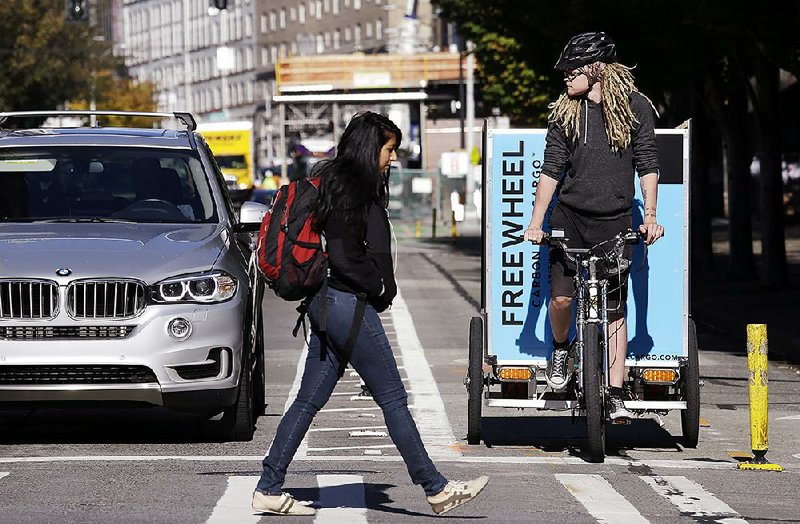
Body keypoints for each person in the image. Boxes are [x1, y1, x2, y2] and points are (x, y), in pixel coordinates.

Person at [252, 111, 488, 516]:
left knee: (308, 401)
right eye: (389, 150)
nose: (392, 158)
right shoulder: (353, 188)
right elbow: (345, 253)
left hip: (326, 304)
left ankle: (268, 487)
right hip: (346, 304)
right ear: (369, 148)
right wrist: (378, 287)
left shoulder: (332, 180)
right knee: (393, 398)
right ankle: (436, 488)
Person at [523, 32, 665, 422]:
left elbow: (648, 163)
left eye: (572, 69)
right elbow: (551, 170)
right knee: (562, 299)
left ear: (596, 68)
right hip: (570, 217)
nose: (565, 76)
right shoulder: (565, 113)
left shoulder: (635, 107)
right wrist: (536, 223)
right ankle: (562, 347)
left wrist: (650, 216)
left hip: (615, 219)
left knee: (616, 309)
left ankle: (615, 393)